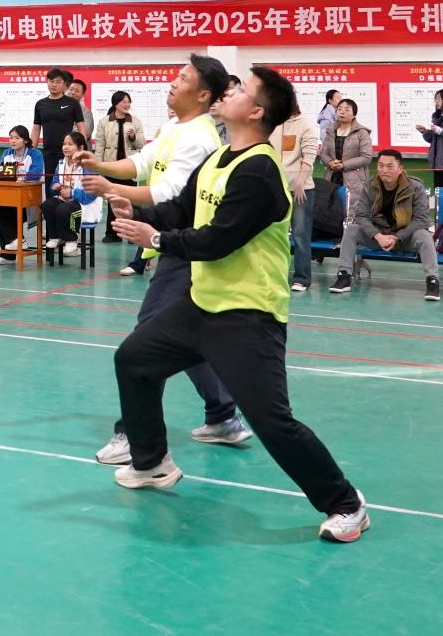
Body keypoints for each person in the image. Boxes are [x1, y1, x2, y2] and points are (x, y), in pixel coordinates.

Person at [106, 65, 368, 542]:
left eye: (242, 89)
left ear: (256, 111)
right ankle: (151, 461)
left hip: (248, 317)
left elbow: (216, 240)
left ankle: (346, 504)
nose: (230, 92)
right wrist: (137, 211)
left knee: (273, 423)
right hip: (201, 305)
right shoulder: (219, 157)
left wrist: (156, 238)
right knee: (134, 360)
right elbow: (181, 210)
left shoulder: (261, 171)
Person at [79, 54, 246, 462]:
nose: (173, 82)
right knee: (185, 337)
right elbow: (142, 162)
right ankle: (224, 416)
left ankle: (135, 435)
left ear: (203, 95)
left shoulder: (200, 138)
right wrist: (101, 165)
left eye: (183, 78)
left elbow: (167, 193)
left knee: (147, 340)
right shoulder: (174, 127)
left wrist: (108, 190)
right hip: (173, 243)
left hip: (187, 248)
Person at [330, 150, 440, 300]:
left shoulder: (415, 187)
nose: (384, 170)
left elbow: (421, 219)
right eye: (381, 166)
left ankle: (432, 281)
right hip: (378, 236)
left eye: (389, 166)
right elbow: (361, 216)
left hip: (405, 237)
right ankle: (344, 276)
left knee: (424, 236)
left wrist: (397, 237)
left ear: (400, 169)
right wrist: (378, 236)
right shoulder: (370, 186)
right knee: (351, 230)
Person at [275, 99, 321, 293]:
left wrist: (301, 181)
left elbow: (309, 156)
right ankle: (276, 275)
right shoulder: (274, 123)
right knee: (275, 234)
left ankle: (302, 278)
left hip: (301, 189)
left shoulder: (305, 125)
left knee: (300, 234)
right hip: (277, 188)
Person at [95, 90, 145, 244]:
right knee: (113, 200)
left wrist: (133, 137)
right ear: (115, 103)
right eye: (124, 101)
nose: (127, 104)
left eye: (129, 102)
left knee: (132, 200)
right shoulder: (104, 122)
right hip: (112, 167)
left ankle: (132, 234)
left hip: (130, 166)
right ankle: (112, 234)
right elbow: (99, 146)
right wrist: (99, 167)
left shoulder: (135, 121)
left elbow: (141, 144)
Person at [0, 124, 45, 261]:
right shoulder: (6, 153)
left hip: (30, 201)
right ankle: (16, 242)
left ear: (25, 140)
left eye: (17, 138)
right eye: (11, 138)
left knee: (3, 213)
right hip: (10, 199)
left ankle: (8, 253)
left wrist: (16, 177)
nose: (13, 141)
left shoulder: (35, 154)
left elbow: (35, 174)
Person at [33, 68, 86, 192]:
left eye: (58, 82)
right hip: (48, 153)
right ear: (47, 82)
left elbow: (81, 127)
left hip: (68, 153)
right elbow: (36, 129)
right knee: (50, 187)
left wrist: (81, 150)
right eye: (51, 81)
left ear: (64, 84)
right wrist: (32, 151)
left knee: (69, 185)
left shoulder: (72, 103)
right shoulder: (40, 104)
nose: (54, 85)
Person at [318, 99, 372, 217]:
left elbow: (366, 157)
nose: (342, 112)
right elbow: (323, 153)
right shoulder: (331, 130)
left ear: (354, 115)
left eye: (347, 110)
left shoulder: (361, 132)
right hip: (332, 176)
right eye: (339, 109)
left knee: (351, 211)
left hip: (354, 179)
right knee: (332, 210)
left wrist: (344, 165)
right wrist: (330, 163)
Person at [43, 130, 89, 256]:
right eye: (64, 144)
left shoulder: (87, 165)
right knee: (47, 205)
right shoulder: (61, 164)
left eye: (70, 144)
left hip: (83, 203)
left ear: (80, 148)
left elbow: (91, 193)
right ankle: (55, 237)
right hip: (65, 200)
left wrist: (72, 193)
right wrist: (55, 187)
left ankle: (71, 239)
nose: (65, 147)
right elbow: (53, 185)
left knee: (63, 209)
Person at [416, 88, 443, 181]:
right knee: (438, 188)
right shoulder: (438, 116)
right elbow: (433, 140)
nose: (436, 102)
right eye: (435, 99)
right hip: (438, 163)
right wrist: (425, 132)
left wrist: (440, 131)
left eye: (439, 99)